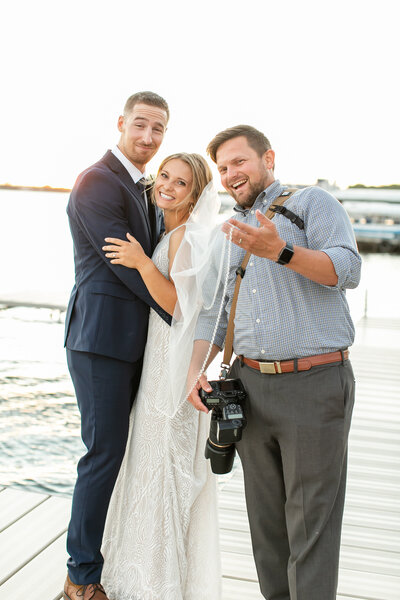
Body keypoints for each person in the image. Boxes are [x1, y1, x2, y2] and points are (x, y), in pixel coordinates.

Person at [188, 125, 362, 600]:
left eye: (239, 162)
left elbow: (346, 270)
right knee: (267, 530)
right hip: (249, 388)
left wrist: (279, 250)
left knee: (311, 527)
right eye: (222, 168)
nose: (230, 174)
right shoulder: (230, 231)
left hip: (314, 383)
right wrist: (194, 372)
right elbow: (218, 311)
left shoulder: (311, 203)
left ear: (267, 158)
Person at [99, 153, 221, 600]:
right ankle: (144, 570)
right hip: (159, 361)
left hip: (171, 365)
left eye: (181, 183)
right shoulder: (173, 231)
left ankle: (156, 583)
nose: (167, 186)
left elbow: (178, 308)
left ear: (196, 193)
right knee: (152, 463)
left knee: (164, 465)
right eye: (164, 176)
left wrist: (141, 263)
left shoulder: (186, 236)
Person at [63, 91, 170, 600]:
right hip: (100, 339)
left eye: (159, 129)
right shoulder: (97, 182)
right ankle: (81, 575)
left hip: (134, 342)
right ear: (121, 122)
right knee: (103, 453)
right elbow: (122, 264)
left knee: (122, 453)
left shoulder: (146, 187)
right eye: (141, 125)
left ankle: (110, 553)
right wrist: (178, 312)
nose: (149, 137)